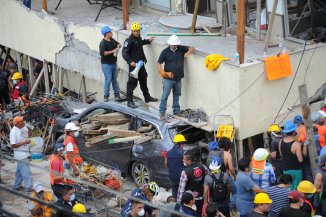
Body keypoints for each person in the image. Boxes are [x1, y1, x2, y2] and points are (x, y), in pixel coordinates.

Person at [157, 35, 194, 118]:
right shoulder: (165, 52)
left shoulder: (181, 49)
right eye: (172, 44)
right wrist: (161, 72)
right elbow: (159, 63)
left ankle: (176, 111)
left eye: (175, 44)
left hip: (178, 78)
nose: (173, 46)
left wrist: (187, 53)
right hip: (168, 78)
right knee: (165, 95)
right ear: (169, 43)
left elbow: (192, 48)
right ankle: (162, 112)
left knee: (177, 94)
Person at [122, 21, 157, 109]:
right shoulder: (129, 41)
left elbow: (140, 42)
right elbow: (124, 53)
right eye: (135, 31)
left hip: (141, 64)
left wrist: (148, 41)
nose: (137, 32)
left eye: (138, 30)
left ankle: (147, 97)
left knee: (143, 80)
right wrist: (130, 62)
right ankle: (129, 101)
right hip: (134, 67)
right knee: (132, 83)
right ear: (132, 31)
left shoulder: (138, 38)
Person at [177, 150, 209, 217]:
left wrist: (179, 204)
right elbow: (209, 177)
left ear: (189, 161)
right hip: (204, 197)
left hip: (191, 201)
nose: (183, 160)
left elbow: (181, 190)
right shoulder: (203, 166)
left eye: (184, 159)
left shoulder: (185, 172)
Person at [279, 120, 307, 190]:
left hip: (285, 169)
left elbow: (282, 155)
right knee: (297, 189)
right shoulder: (296, 144)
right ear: (294, 131)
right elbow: (300, 160)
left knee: (288, 188)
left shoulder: (280, 142)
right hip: (296, 170)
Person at [10, 116, 33, 193]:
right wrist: (24, 142)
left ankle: (16, 187)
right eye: (21, 121)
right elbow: (13, 145)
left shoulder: (23, 128)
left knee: (19, 173)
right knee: (27, 174)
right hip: (20, 156)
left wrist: (30, 129)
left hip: (25, 154)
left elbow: (29, 135)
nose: (23, 122)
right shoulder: (13, 131)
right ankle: (28, 189)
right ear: (17, 123)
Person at [99, 25, 121, 102]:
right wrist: (112, 51)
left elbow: (118, 44)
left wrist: (118, 45)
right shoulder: (103, 43)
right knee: (108, 80)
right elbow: (102, 53)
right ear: (106, 33)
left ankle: (117, 94)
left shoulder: (112, 40)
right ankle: (106, 96)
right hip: (106, 64)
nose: (111, 33)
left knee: (114, 79)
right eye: (110, 32)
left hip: (113, 63)